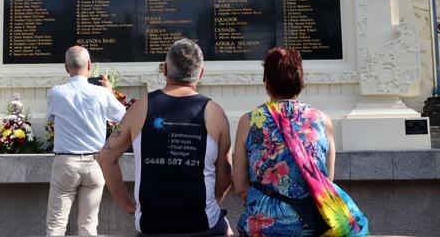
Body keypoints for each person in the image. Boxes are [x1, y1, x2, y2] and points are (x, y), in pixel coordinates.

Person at [97, 39, 233, 236]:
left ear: (165, 70)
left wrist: (128, 205)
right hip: (202, 225)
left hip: (152, 226)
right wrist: (215, 201)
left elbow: (105, 157)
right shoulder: (214, 113)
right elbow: (226, 173)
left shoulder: (140, 108)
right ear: (201, 72)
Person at [233, 47, 368, 237]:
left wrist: (267, 204)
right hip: (313, 227)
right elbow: (325, 181)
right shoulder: (322, 121)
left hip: (262, 226)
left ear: (266, 82)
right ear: (300, 81)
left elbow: (239, 185)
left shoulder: (250, 122)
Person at [45, 46, 127, 236]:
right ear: (89, 65)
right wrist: (109, 92)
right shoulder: (102, 93)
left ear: (66, 67)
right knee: (89, 227)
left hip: (66, 163)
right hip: (95, 164)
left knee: (56, 225)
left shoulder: (55, 93)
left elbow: (50, 119)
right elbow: (123, 116)